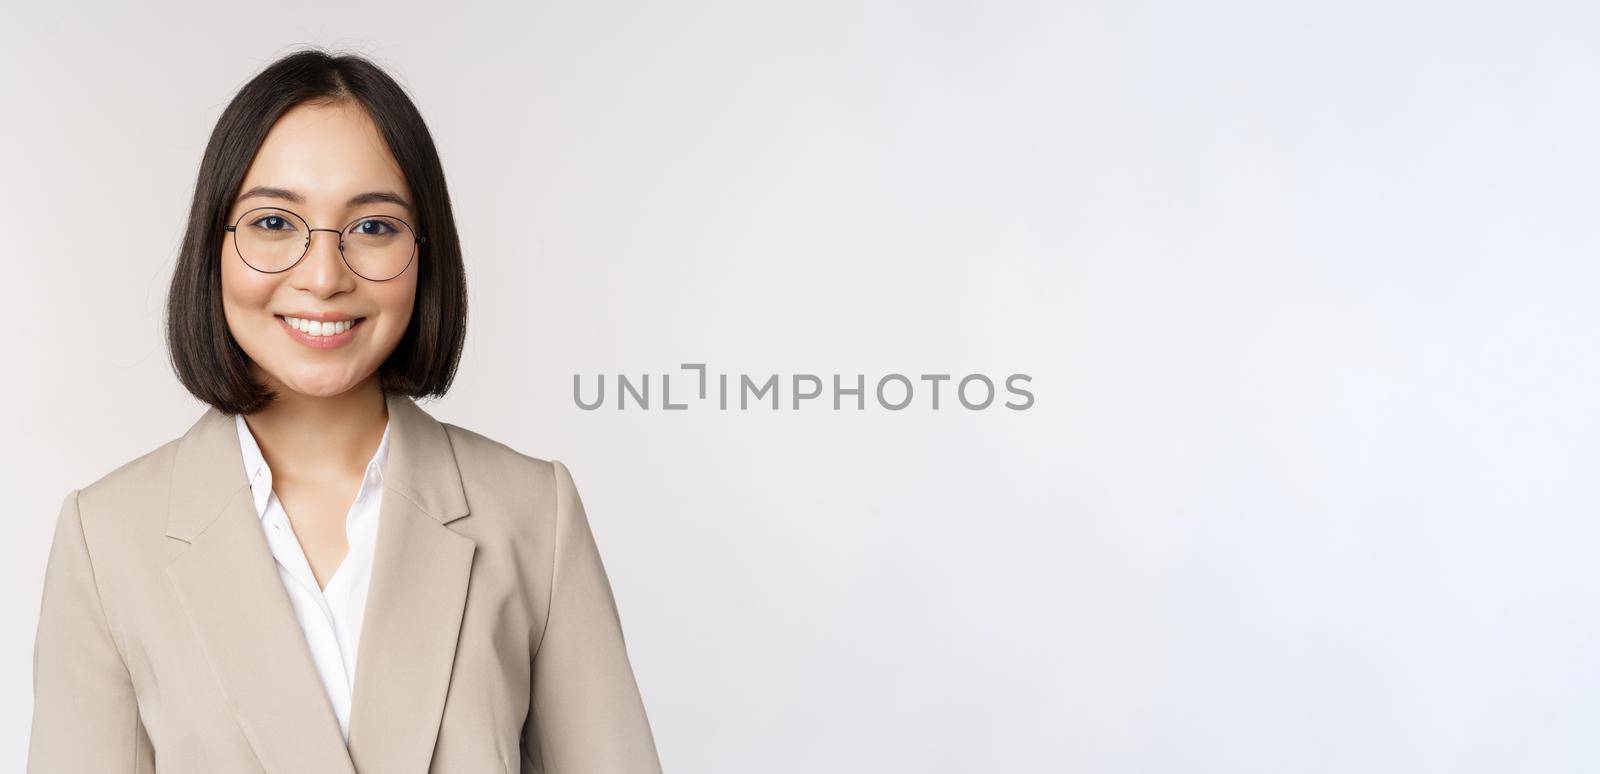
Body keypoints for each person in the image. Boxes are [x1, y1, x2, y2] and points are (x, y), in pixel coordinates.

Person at [28, 48, 663, 774]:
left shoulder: (532, 515)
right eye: (273, 222)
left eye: (372, 227)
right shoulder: (107, 539)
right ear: (214, 247)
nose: (324, 277)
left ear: (426, 254)